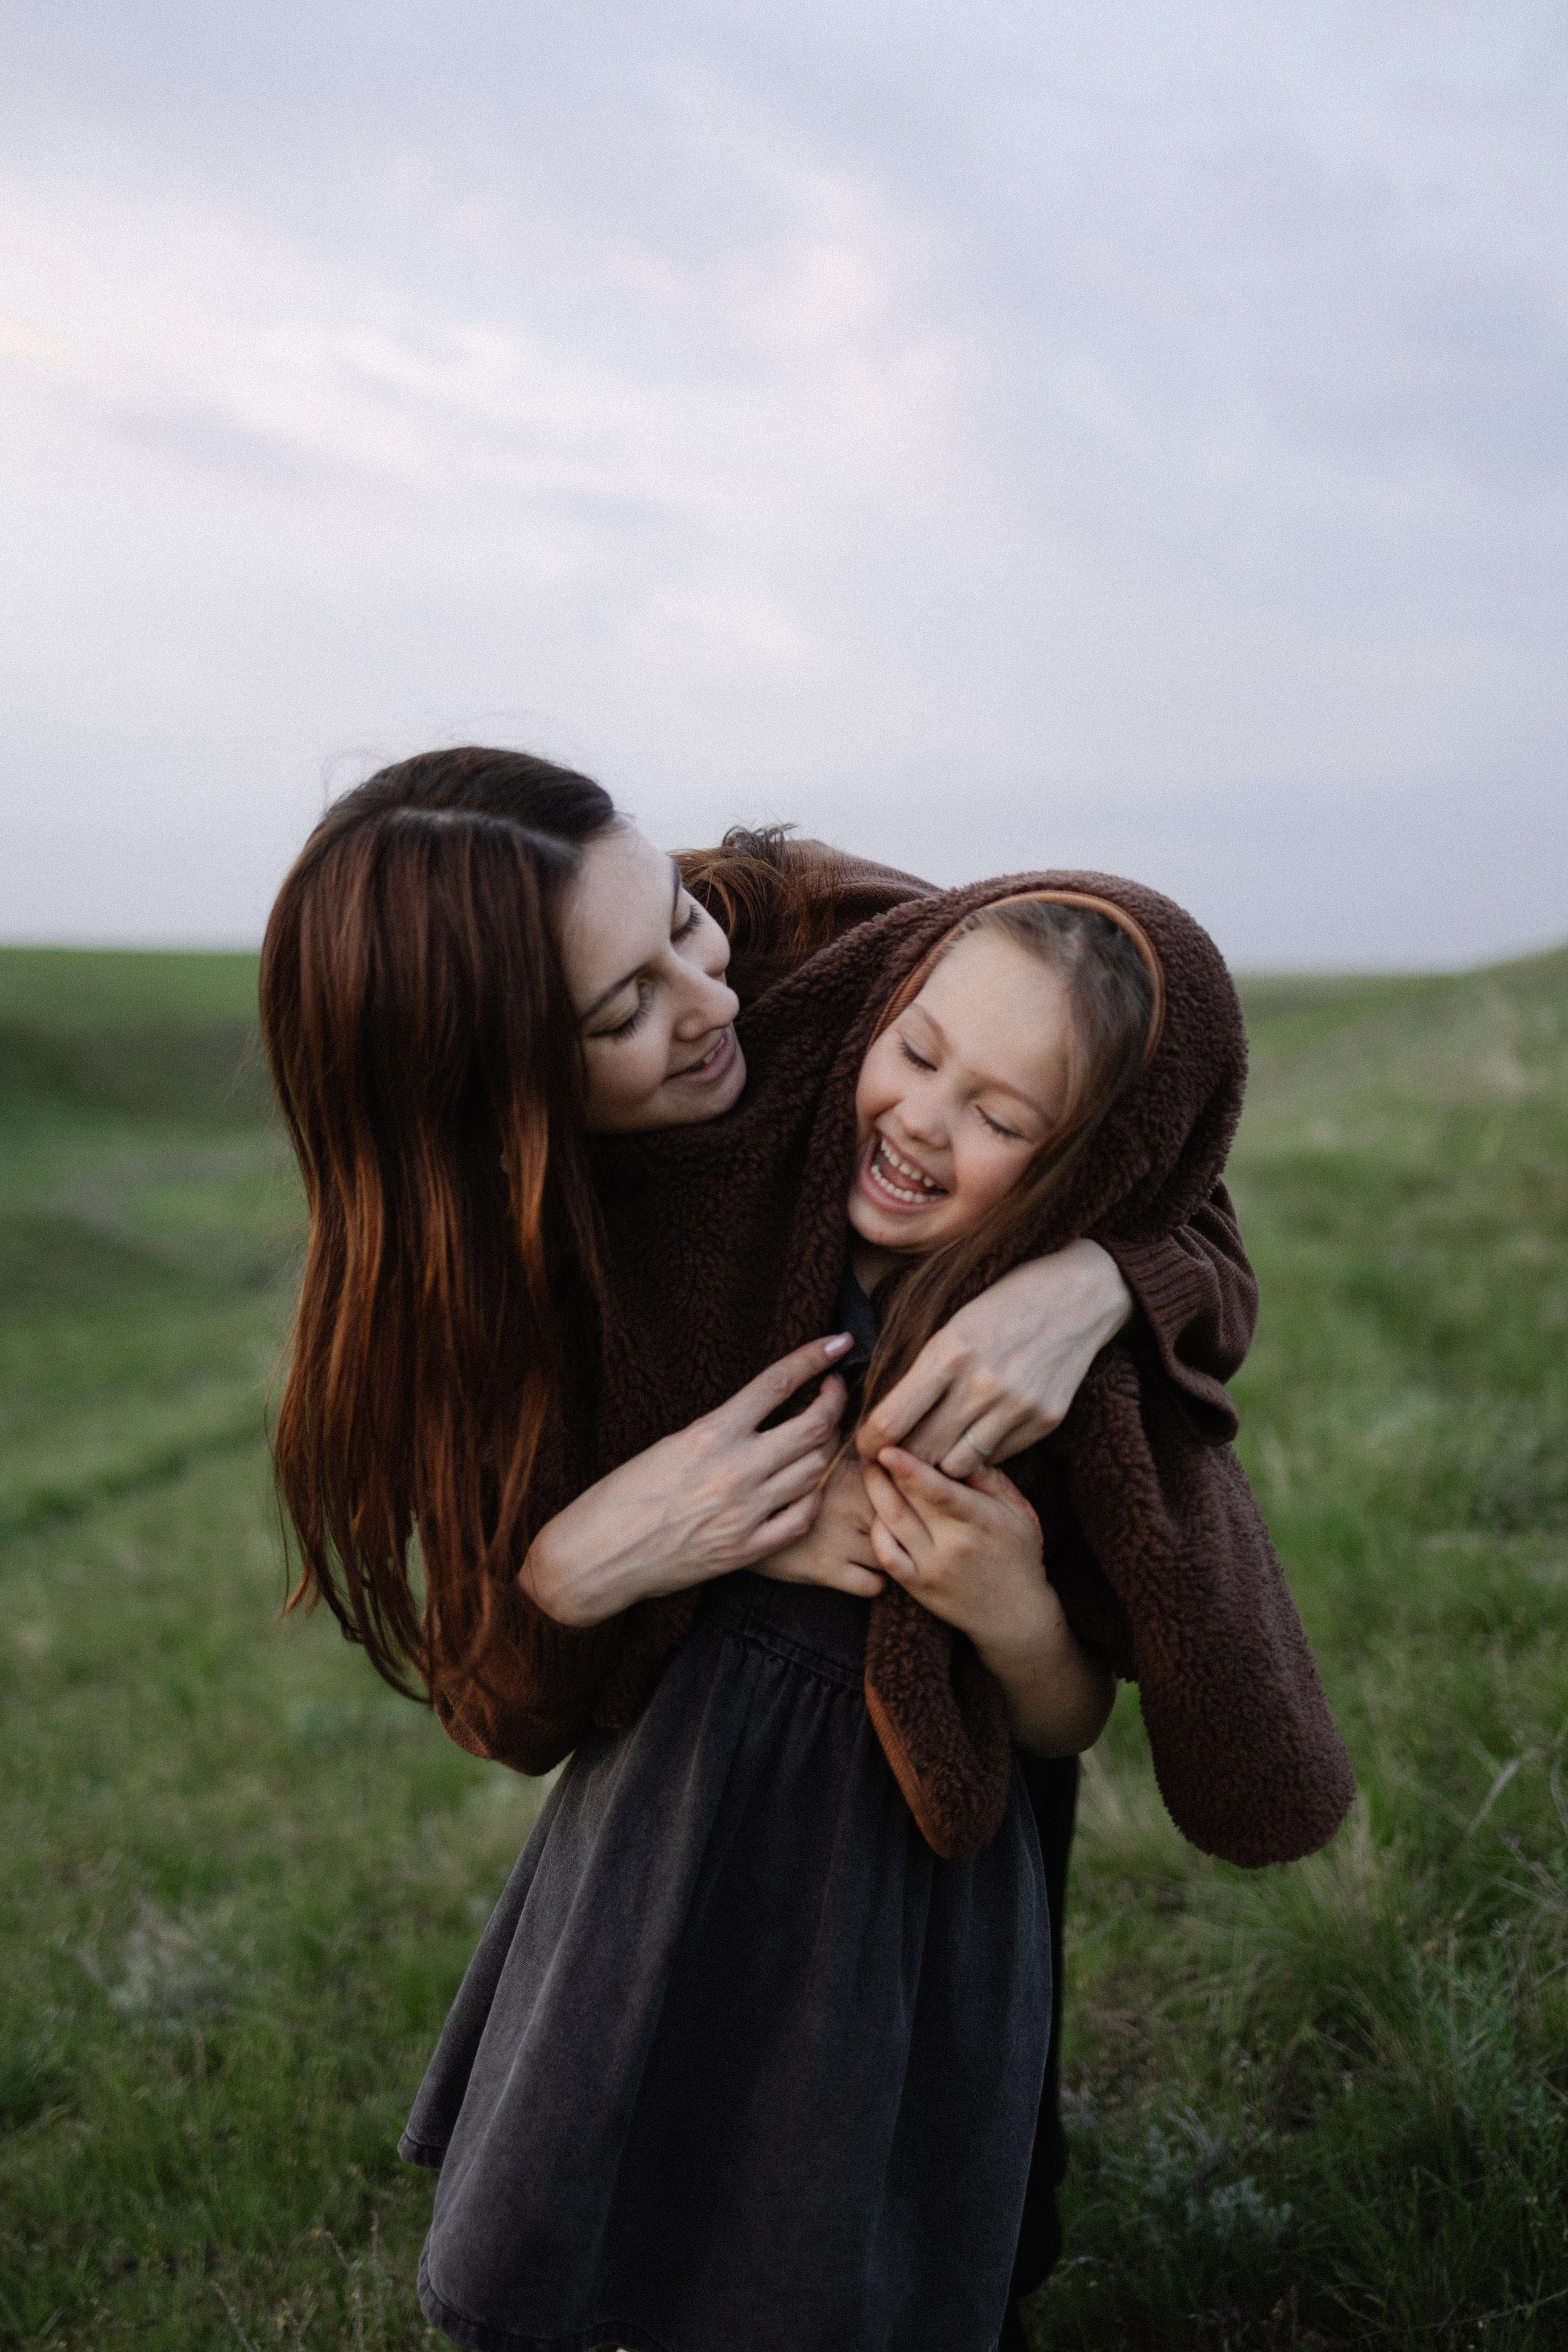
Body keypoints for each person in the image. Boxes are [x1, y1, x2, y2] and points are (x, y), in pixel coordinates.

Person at [258, 750, 1283, 2349]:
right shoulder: (471, 1288)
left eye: (680, 918)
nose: (710, 1001)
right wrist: (588, 1558)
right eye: (620, 1015)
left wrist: (1094, 1280)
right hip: (683, 1805)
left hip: (931, 1809)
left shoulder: (819, 943)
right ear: (488, 1099)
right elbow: (504, 1709)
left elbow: (1156, 1118)